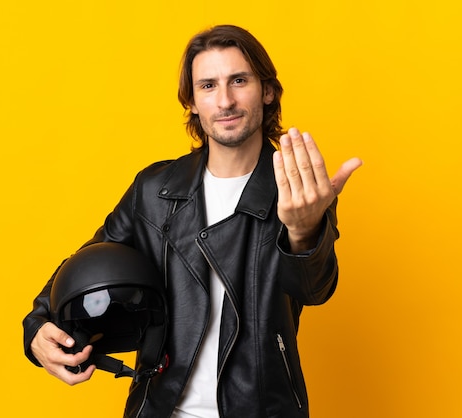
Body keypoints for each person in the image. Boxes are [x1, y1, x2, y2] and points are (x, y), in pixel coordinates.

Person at [23, 24, 362, 418]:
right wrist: (37, 327)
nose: (225, 100)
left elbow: (315, 289)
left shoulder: (297, 187)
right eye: (207, 86)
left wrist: (304, 230)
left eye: (239, 80)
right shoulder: (154, 189)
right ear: (192, 102)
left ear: (267, 91)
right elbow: (87, 263)